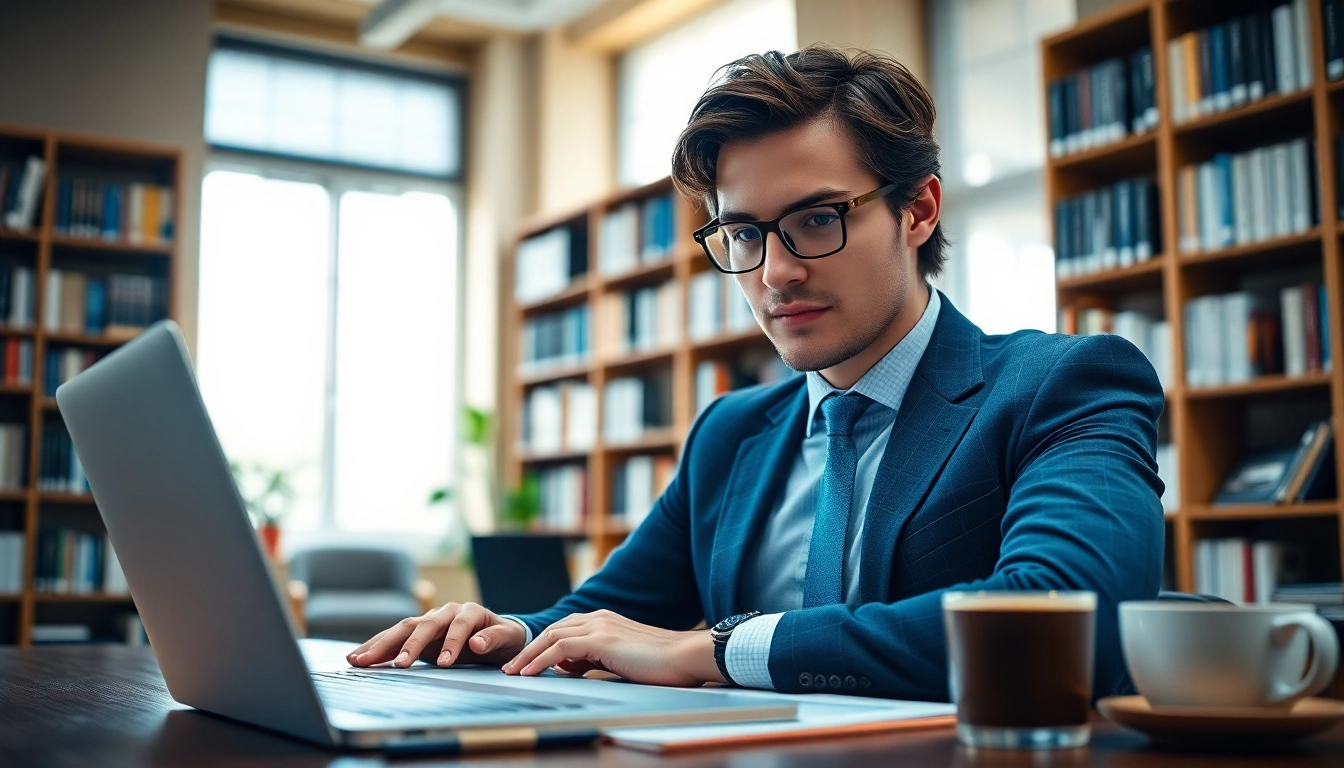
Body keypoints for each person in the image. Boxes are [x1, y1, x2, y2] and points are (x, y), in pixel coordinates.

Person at [348, 45, 1164, 700]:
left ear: (918, 210)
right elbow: (612, 614)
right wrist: (502, 636)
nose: (773, 272)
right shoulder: (731, 431)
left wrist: (720, 651)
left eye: (815, 220)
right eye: (742, 234)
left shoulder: (1064, 384)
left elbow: (1067, 616)